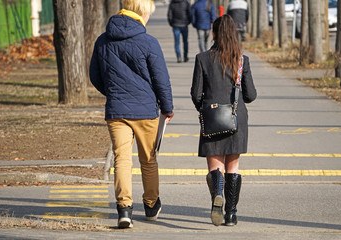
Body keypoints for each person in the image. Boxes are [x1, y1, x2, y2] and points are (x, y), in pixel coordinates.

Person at [89, 0, 174, 229]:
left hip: (117, 110)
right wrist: (167, 108)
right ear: (142, 13)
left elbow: (95, 76)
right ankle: (151, 204)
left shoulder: (102, 41)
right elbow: (161, 80)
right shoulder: (149, 42)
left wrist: (114, 92)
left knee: (122, 160)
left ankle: (124, 209)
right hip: (146, 110)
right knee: (148, 160)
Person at [190, 15, 256, 226]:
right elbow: (250, 95)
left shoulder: (202, 58)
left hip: (212, 117)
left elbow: (195, 93)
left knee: (215, 167)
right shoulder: (241, 60)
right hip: (236, 119)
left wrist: (206, 107)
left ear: (215, 33)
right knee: (232, 168)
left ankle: (217, 195)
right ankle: (231, 214)